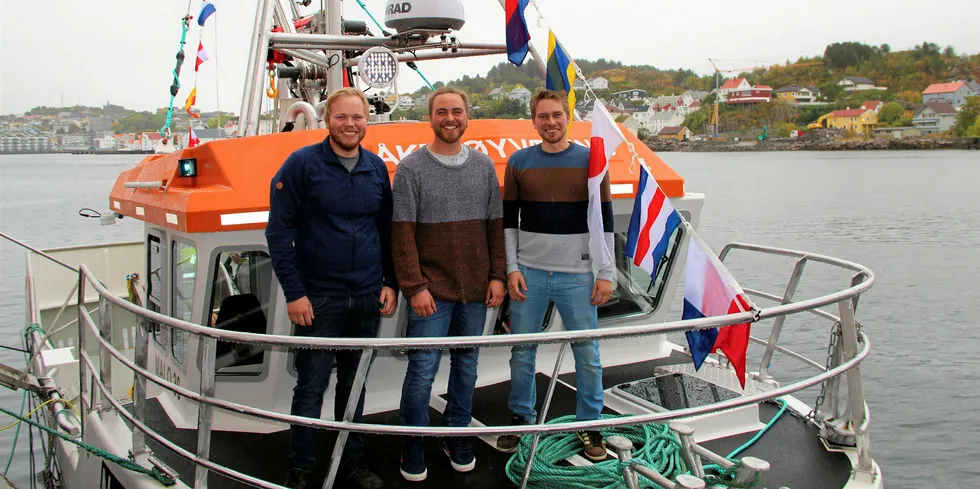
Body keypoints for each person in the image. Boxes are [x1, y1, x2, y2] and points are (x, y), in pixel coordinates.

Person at [265, 87, 398, 489]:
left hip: (365, 298)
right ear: (328, 121)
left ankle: (352, 459)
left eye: (357, 118)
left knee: (354, 383)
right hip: (318, 298)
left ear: (367, 122)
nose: (350, 125)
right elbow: (278, 232)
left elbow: (385, 230)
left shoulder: (375, 168)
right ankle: (301, 466)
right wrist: (294, 293)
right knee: (311, 386)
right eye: (342, 117)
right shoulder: (301, 165)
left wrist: (390, 282)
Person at [391, 86, 507, 482]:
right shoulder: (410, 169)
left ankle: (457, 434)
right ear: (431, 118)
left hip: (476, 290)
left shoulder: (483, 166)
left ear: (466, 116)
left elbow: (495, 227)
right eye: (441, 111)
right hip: (431, 293)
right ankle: (412, 440)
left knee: (467, 367)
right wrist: (415, 286)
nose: (449, 118)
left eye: (456, 111)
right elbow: (402, 234)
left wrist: (497, 276)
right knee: (422, 369)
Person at [495, 89, 614, 462]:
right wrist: (512, 268)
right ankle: (521, 418)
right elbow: (509, 221)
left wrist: (606, 272)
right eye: (543, 116)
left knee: (588, 356)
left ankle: (590, 424)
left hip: (578, 274)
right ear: (534, 120)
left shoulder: (592, 161)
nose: (550, 122)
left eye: (557, 115)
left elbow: (605, 219)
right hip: (529, 273)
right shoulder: (518, 162)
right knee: (521, 352)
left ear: (568, 117)